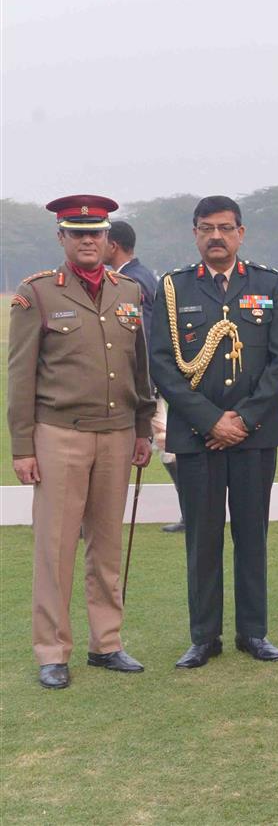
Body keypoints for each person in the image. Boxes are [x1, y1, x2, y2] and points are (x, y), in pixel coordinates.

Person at [8, 195, 154, 689]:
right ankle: (52, 651)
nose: (88, 240)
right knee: (55, 548)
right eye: (77, 233)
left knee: (106, 547)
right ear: (62, 239)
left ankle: (107, 644)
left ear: (108, 239)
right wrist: (23, 447)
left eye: (96, 233)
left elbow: (141, 370)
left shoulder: (129, 291)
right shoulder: (38, 294)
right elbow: (20, 376)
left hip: (116, 435)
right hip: (58, 435)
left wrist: (142, 429)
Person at [149, 195, 278, 668]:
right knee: (203, 539)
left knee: (252, 536)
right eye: (207, 228)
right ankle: (203, 637)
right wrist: (209, 419)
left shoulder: (268, 283)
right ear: (194, 233)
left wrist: (241, 420)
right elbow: (163, 364)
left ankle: (254, 634)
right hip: (196, 436)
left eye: (225, 228)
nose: (217, 236)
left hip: (254, 435)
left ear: (241, 233)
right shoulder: (174, 288)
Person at [104, 219, 186, 533]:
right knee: (163, 442)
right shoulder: (136, 276)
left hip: (140, 384)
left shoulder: (132, 282)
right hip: (142, 383)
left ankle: (193, 513)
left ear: (113, 245)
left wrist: (147, 384)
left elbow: (146, 335)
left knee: (164, 441)